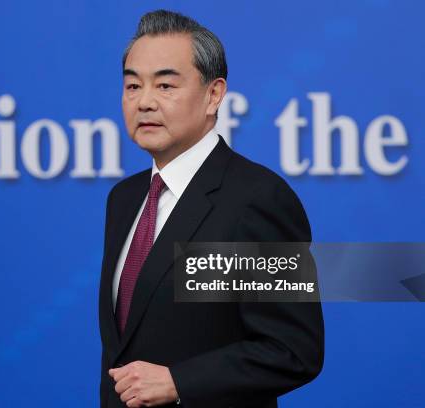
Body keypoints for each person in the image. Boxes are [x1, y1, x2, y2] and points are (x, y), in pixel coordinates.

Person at [98, 10, 324, 408]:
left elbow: (292, 350)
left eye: (165, 85)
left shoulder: (256, 199)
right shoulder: (124, 199)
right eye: (133, 86)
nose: (144, 102)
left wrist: (178, 382)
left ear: (214, 94)